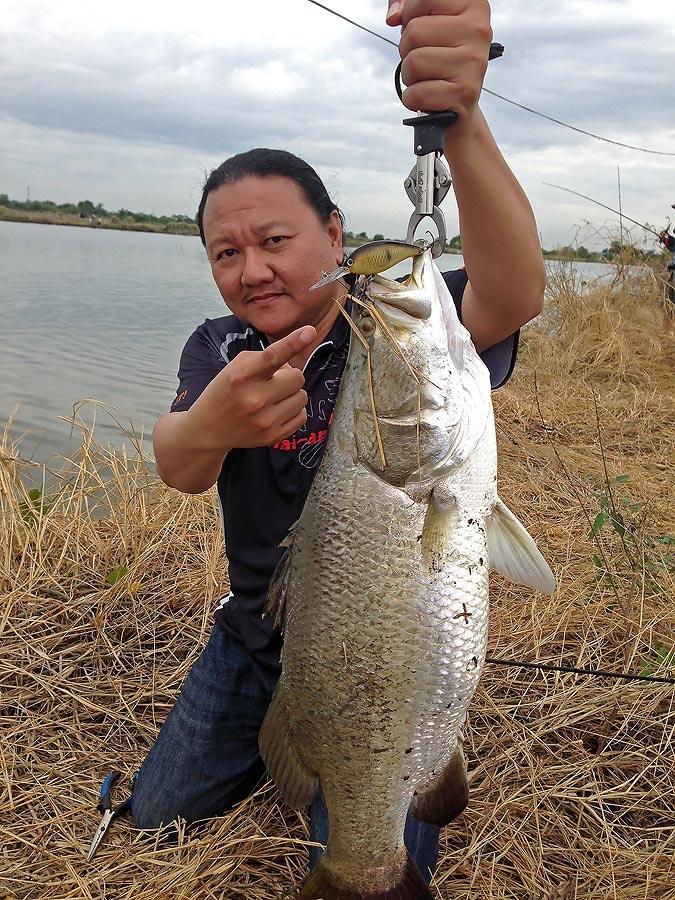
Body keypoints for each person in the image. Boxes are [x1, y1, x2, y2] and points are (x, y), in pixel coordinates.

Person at [131, 0, 547, 886]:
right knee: (154, 818)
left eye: (275, 240)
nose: (251, 269)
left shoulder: (392, 329)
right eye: (224, 252)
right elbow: (177, 464)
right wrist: (212, 423)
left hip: (380, 652)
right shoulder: (222, 350)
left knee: (375, 829)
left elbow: (510, 292)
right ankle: (263, 752)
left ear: (332, 235)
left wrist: (462, 121)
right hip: (252, 638)